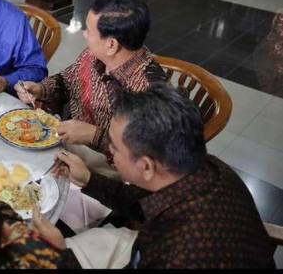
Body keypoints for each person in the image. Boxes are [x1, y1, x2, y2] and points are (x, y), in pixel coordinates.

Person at [33, 84, 276, 269]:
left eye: (115, 148)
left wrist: (61, 254)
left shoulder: (175, 253)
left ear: (146, 166)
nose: (111, 153)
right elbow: (144, 203)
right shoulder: (207, 168)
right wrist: (88, 178)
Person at [15, 0, 167, 178]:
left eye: (89, 30)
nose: (85, 34)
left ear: (111, 45)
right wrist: (40, 89)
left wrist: (94, 135)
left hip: (110, 170)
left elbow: (144, 157)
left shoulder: (151, 92)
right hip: (71, 142)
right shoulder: (94, 55)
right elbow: (68, 80)